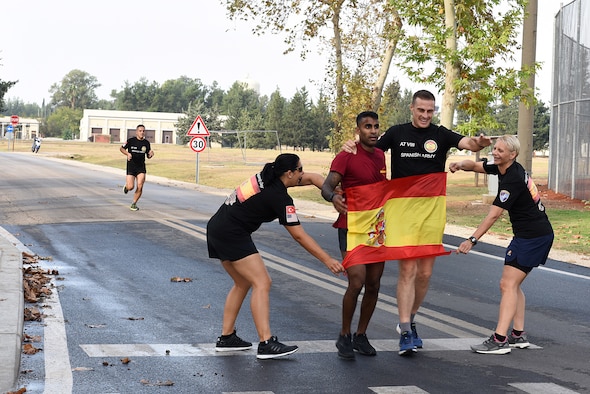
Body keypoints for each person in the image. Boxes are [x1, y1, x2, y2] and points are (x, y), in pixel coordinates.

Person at [344, 90, 491, 355]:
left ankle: (409, 321)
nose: (425, 115)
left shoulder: (441, 134)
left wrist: (480, 143)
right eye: (421, 110)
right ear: (412, 109)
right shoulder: (397, 133)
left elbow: (468, 143)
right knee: (408, 271)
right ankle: (406, 331)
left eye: (430, 111)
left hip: (432, 212)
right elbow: (368, 148)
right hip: (402, 211)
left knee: (425, 274)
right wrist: (350, 145)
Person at [207, 153, 345, 360]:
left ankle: (227, 338)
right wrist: (328, 260)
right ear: (289, 173)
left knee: (242, 283)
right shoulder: (279, 197)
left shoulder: (270, 176)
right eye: (299, 169)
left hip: (218, 227)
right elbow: (298, 235)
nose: (302, 173)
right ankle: (266, 342)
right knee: (262, 282)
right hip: (231, 233)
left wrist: (332, 193)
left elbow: (312, 177)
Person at [449, 135, 554, 355]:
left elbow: (494, 215)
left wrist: (471, 240)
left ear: (512, 154)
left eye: (500, 151)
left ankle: (499, 340)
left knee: (507, 284)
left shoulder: (512, 178)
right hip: (531, 235)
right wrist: (461, 164)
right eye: (494, 149)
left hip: (532, 237)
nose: (495, 153)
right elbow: (476, 165)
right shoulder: (503, 167)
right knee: (512, 285)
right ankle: (518, 335)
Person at [322, 111, 387, 359]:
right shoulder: (346, 155)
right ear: (358, 131)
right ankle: (344, 335)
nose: (372, 130)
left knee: (374, 284)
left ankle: (361, 335)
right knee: (356, 281)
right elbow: (328, 185)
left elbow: (381, 186)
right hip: (350, 226)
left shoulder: (381, 155)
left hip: (376, 228)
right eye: (367, 126)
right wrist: (334, 197)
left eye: (376, 126)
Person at [120, 125, 154, 211]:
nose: (142, 132)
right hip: (131, 166)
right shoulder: (131, 141)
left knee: (140, 185)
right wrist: (127, 154)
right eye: (140, 131)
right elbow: (121, 148)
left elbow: (148, 155)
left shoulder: (146, 143)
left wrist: (151, 154)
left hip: (141, 167)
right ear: (136, 132)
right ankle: (127, 187)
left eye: (143, 131)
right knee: (131, 187)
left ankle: (134, 203)